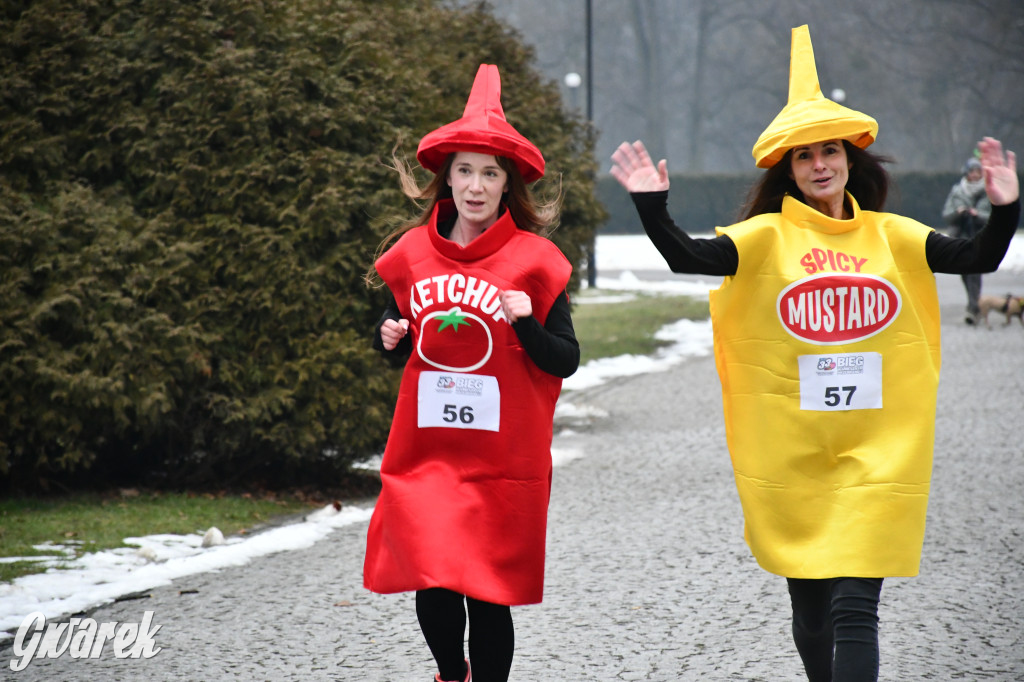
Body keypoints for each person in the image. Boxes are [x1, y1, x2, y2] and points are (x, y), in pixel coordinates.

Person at [610, 25, 1019, 682]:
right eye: (804, 158)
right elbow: (687, 256)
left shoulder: (895, 236)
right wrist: (652, 210)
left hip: (876, 456)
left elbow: (978, 257)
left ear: (852, 159)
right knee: (812, 613)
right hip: (796, 458)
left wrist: (1004, 211)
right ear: (789, 171)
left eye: (829, 151)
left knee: (857, 608)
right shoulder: (766, 237)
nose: (819, 164)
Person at [363, 64, 579, 682]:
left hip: (499, 462)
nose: (476, 186)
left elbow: (564, 358)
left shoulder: (535, 263)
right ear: (446, 179)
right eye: (464, 171)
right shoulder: (412, 254)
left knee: (486, 591)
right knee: (432, 574)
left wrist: (528, 327)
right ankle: (450, 674)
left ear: (507, 184)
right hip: (428, 455)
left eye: (490, 173)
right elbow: (403, 341)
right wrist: (388, 338)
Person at [942, 156, 992, 323]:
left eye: (979, 171)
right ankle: (974, 304)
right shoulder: (957, 191)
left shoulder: (987, 191)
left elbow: (994, 216)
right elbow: (946, 214)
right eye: (973, 171)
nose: (976, 175)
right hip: (960, 238)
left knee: (974, 274)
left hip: (979, 237)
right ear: (966, 172)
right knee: (965, 273)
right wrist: (958, 212)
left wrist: (977, 214)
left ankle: (973, 308)